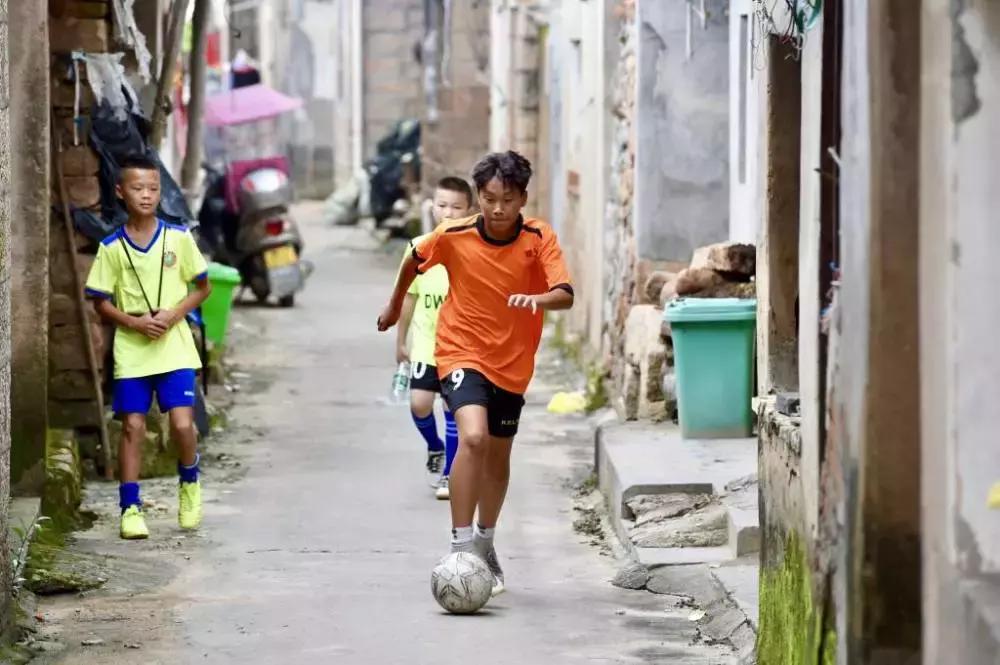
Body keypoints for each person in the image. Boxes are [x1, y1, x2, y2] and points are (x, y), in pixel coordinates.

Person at [378, 151, 574, 594]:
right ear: (478, 198)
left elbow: (565, 293)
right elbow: (413, 257)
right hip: (461, 349)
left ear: (523, 197)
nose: (497, 209)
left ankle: (485, 543)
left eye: (507, 199)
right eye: (488, 199)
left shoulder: (538, 236)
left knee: (499, 457)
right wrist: (394, 307)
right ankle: (460, 547)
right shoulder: (454, 234)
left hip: (513, 361)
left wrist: (538, 300)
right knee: (473, 438)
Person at [85, 156, 212, 540]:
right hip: (133, 345)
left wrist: (173, 315)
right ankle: (130, 507)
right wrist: (136, 322)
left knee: (182, 423)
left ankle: (189, 481)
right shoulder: (111, 247)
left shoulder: (178, 238)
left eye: (154, 189)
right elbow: (100, 301)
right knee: (133, 426)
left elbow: (202, 286)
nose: (147, 195)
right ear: (121, 193)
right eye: (138, 189)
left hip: (173, 343)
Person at [396, 177, 474, 500]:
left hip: (458, 349)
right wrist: (400, 341)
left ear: (469, 211)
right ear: (432, 207)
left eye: (456, 207)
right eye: (442, 206)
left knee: (451, 410)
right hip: (426, 346)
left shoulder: (474, 252)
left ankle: (449, 475)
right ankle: (434, 446)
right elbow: (408, 297)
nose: (448, 213)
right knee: (419, 404)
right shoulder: (419, 248)